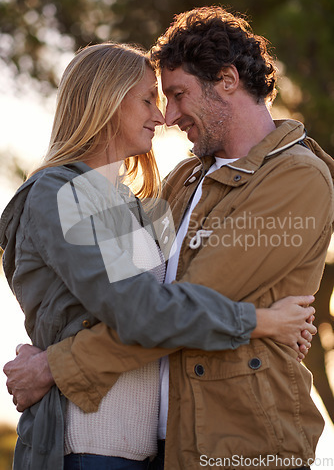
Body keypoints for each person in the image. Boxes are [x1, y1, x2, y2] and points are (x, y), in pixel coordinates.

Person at [0, 40, 317, 470]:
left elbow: (177, 290)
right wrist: (261, 322)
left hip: (152, 449)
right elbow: (143, 312)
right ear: (106, 102)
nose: (162, 116)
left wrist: (279, 315)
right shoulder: (59, 195)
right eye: (148, 99)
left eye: (168, 97)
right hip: (93, 445)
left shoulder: (138, 206)